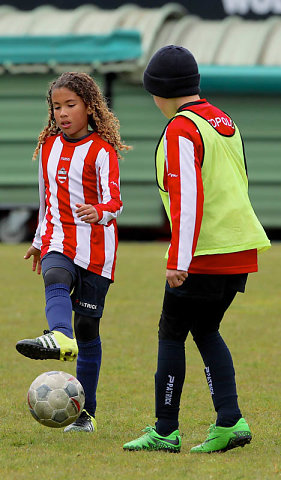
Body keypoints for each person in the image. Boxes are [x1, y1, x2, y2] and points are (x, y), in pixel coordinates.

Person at [123, 45, 270, 453]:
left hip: (203, 252)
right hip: (240, 248)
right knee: (206, 330)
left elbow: (189, 196)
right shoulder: (223, 120)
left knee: (171, 334)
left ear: (161, 90)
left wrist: (178, 258)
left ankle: (165, 429)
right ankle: (230, 421)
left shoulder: (181, 129)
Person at [16, 71, 129, 432]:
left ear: (90, 108)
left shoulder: (102, 151)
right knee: (54, 276)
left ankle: (85, 415)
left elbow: (116, 201)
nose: (62, 113)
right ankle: (59, 334)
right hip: (58, 240)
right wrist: (38, 240)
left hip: (97, 250)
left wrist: (101, 211)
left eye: (70, 105)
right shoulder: (48, 146)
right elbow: (45, 200)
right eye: (56, 107)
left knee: (89, 329)